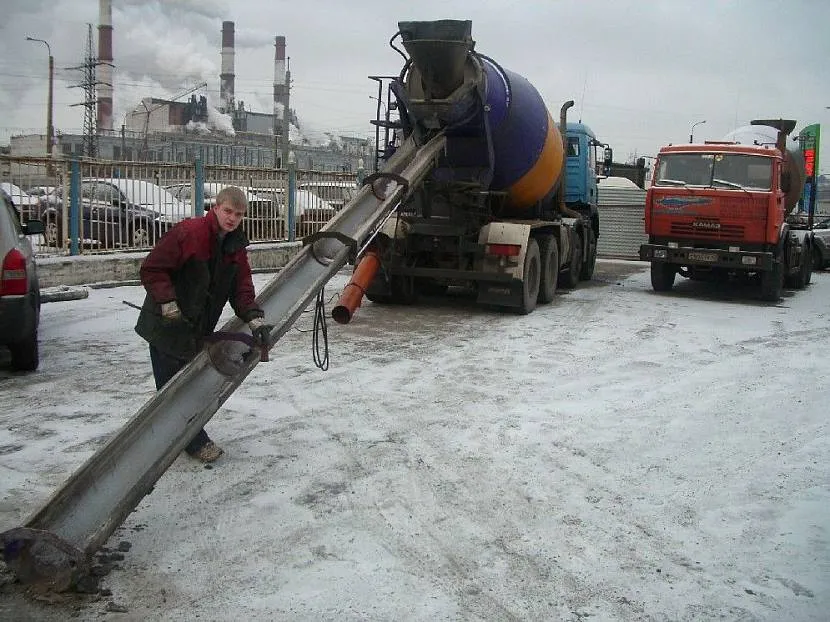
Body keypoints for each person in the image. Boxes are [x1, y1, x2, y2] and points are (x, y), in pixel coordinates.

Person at [135, 185, 272, 463]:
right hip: (166, 328)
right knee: (174, 391)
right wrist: (168, 302)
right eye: (228, 211)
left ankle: (173, 438)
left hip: (195, 330)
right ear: (216, 208)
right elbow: (152, 268)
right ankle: (190, 443)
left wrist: (255, 319)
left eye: (239, 214)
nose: (232, 219)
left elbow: (241, 288)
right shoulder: (190, 233)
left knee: (186, 388)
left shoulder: (234, 248)